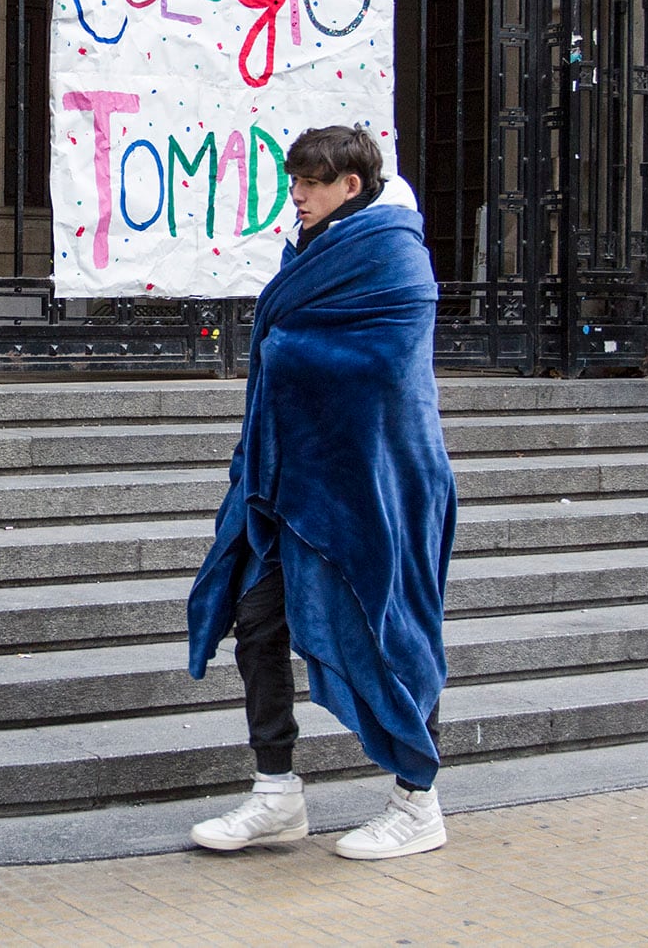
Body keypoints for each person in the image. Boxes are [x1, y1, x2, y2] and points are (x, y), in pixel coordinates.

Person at [185, 123, 458, 860]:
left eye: (310, 182)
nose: (296, 195)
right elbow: (284, 359)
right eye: (294, 180)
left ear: (351, 187)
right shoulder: (309, 254)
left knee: (392, 625)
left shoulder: (396, 261)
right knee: (257, 618)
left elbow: (377, 366)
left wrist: (289, 351)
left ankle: (417, 801)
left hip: (376, 480)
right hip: (288, 483)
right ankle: (276, 792)